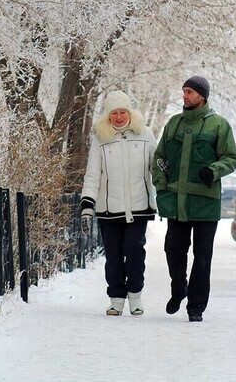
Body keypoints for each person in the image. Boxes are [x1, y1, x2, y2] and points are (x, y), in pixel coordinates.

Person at [151, 76, 236, 322]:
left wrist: (214, 170)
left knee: (202, 257)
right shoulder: (173, 124)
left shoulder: (218, 126)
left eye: (189, 92)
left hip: (205, 204)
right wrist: (161, 185)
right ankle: (179, 288)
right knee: (173, 250)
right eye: (183, 91)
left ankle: (196, 306)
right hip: (177, 202)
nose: (185, 96)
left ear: (202, 95)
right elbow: (159, 159)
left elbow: (231, 157)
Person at [80, 90, 157, 316]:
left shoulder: (145, 134)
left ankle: (135, 295)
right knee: (113, 254)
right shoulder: (100, 138)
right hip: (108, 208)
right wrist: (87, 205)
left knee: (134, 251)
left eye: (123, 112)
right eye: (115, 113)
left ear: (130, 113)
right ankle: (116, 298)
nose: (120, 117)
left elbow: (158, 167)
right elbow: (92, 174)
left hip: (138, 206)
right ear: (108, 115)